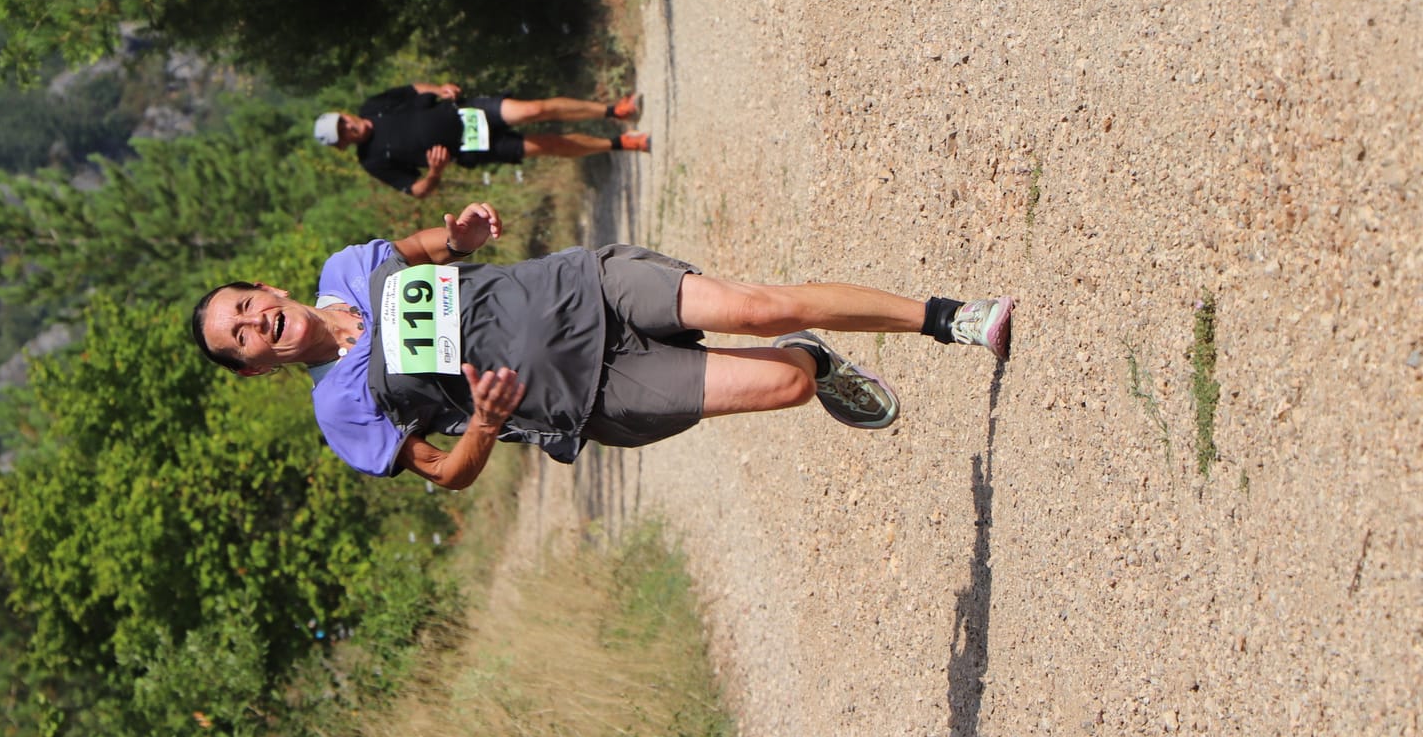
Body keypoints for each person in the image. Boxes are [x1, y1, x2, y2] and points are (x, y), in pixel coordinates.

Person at [189, 205, 1013, 489]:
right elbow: (444, 471)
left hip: (585, 285)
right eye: (240, 338)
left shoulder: (348, 266)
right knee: (787, 385)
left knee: (759, 304)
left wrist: (458, 233)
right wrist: (480, 424)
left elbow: (420, 249)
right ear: (254, 365)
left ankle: (950, 318)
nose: (253, 322)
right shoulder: (339, 408)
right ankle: (817, 360)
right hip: (588, 393)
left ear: (264, 288)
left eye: (244, 306)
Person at [314, 82, 650, 198]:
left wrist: (439, 90)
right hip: (472, 148)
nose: (348, 129)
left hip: (466, 111)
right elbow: (415, 190)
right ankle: (621, 143)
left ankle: (614, 110)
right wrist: (435, 172)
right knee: (545, 145)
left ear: (345, 114)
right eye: (341, 135)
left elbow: (413, 90)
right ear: (342, 145)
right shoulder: (370, 160)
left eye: (342, 122)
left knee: (534, 109)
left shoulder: (372, 105)